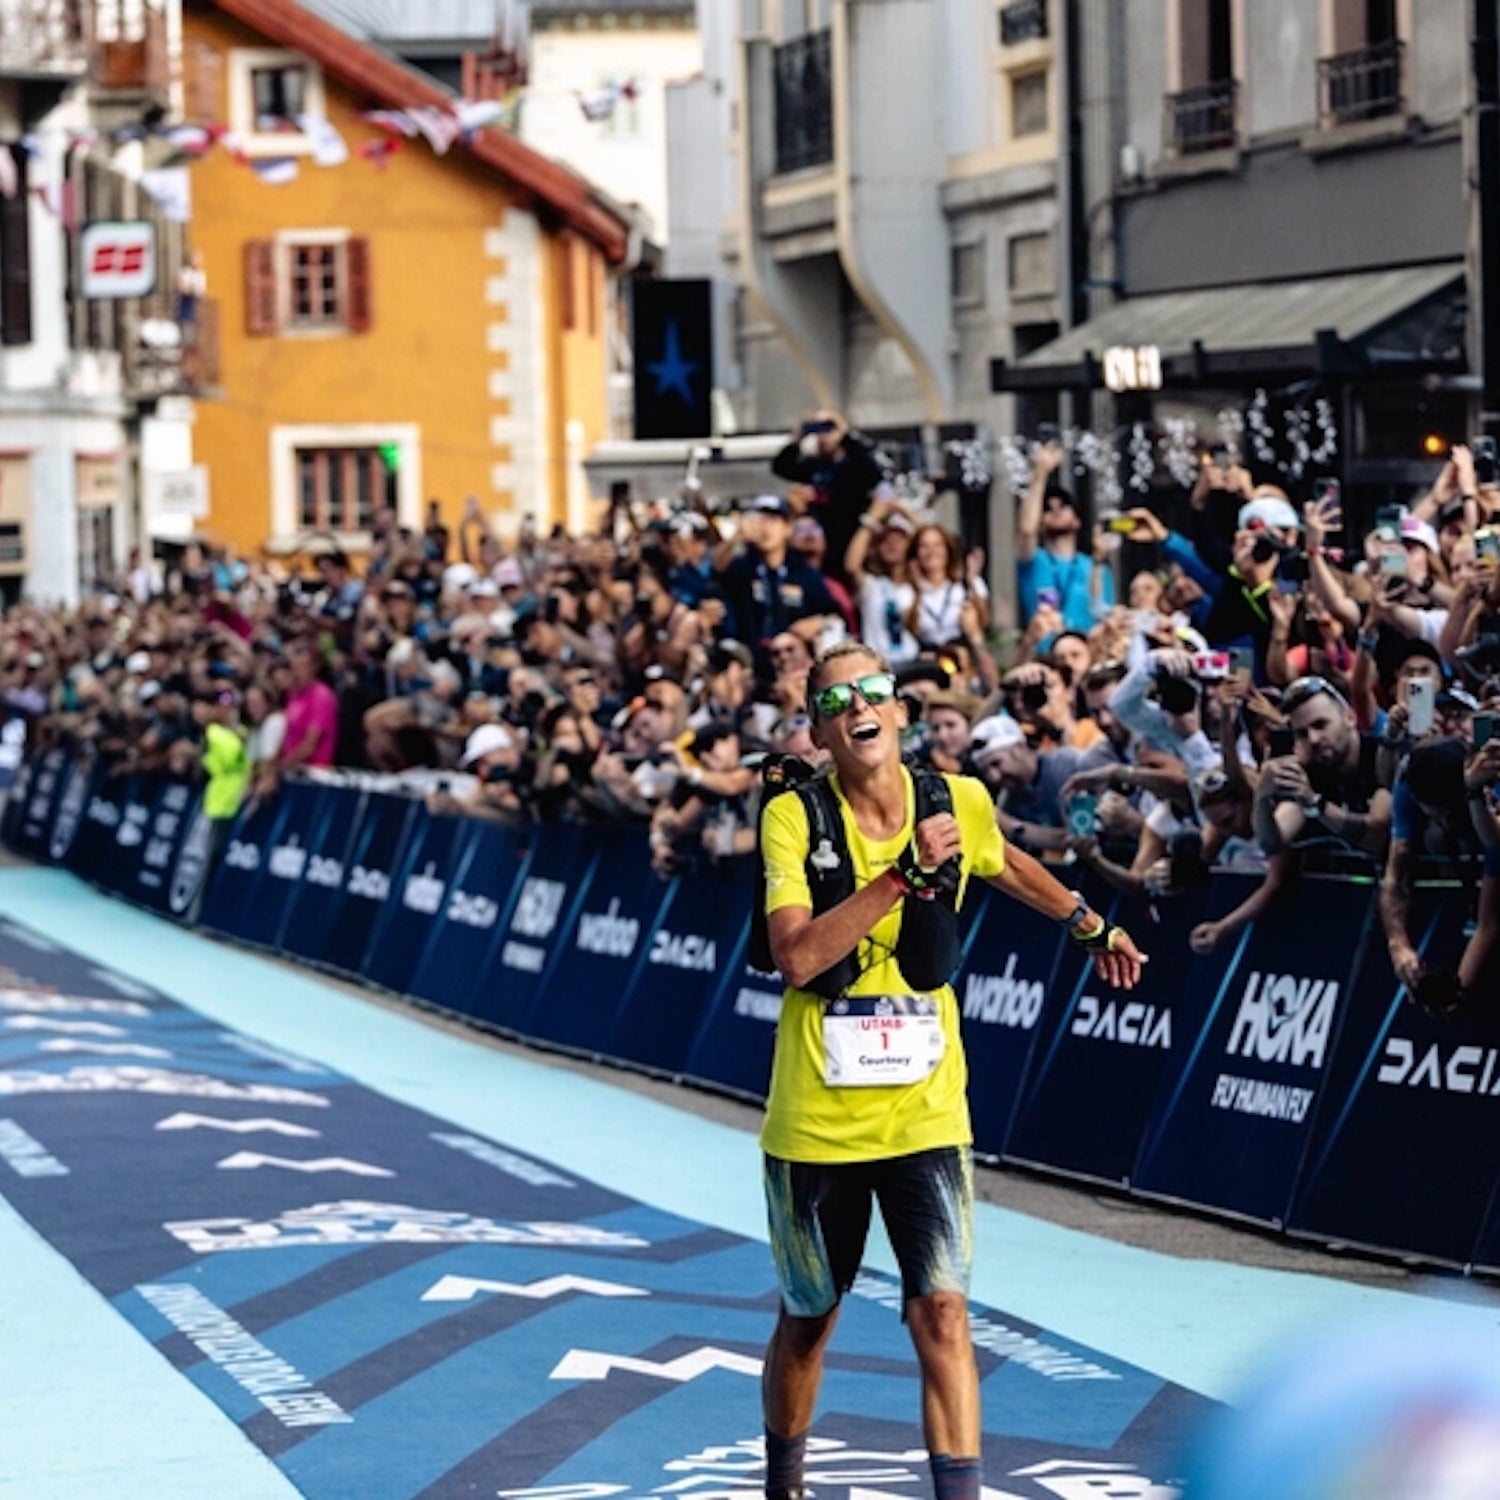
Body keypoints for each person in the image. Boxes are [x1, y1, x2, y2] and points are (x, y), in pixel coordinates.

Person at [758, 640, 1145, 1500]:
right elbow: (796, 956)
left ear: (896, 710)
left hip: (926, 1112)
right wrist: (902, 877)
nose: (859, 705)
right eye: (836, 698)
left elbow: (1004, 863)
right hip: (817, 1118)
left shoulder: (956, 800)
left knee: (942, 1311)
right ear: (821, 731)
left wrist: (1089, 923)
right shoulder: (795, 817)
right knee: (810, 1322)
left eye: (872, 690)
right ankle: (783, 1486)